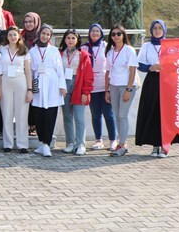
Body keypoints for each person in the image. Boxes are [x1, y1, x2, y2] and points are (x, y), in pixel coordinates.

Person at [135, 20, 179, 157]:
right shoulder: (146, 46)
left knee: (166, 113)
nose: (157, 30)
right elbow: (139, 64)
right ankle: (155, 145)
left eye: (160, 28)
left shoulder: (171, 46)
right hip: (152, 81)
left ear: (164, 30)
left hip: (168, 82)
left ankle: (165, 145)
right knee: (152, 112)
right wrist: (150, 67)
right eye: (154, 28)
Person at [29, 24, 66, 157]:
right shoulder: (32, 51)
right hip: (38, 83)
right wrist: (30, 88)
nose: (45, 36)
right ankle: (41, 143)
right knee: (38, 115)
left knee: (50, 115)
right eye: (43, 33)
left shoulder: (54, 51)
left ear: (50, 36)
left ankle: (47, 144)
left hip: (52, 85)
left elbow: (60, 69)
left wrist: (62, 86)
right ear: (39, 34)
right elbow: (30, 70)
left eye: (48, 34)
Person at [104, 25, 139, 157]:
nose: (116, 36)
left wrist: (129, 89)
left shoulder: (129, 50)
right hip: (113, 86)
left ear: (123, 35)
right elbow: (108, 72)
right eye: (113, 34)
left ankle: (122, 144)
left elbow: (132, 70)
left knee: (123, 115)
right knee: (117, 115)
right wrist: (106, 90)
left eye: (119, 34)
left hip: (126, 86)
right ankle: (121, 142)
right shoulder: (110, 51)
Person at [59, 29, 94, 155]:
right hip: (64, 85)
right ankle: (70, 142)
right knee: (67, 117)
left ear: (77, 40)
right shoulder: (60, 53)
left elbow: (89, 75)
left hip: (78, 85)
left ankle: (80, 144)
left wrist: (86, 92)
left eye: (73, 38)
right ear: (64, 39)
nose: (70, 40)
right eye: (68, 38)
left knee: (79, 118)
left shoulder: (83, 55)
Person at [0, 26, 33, 153]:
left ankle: (22, 144)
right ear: (7, 37)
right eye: (10, 35)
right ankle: (8, 144)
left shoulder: (24, 50)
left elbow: (28, 71)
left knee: (22, 114)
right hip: (5, 81)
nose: (12, 37)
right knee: (7, 113)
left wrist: (30, 89)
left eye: (15, 34)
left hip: (21, 81)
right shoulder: (2, 50)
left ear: (19, 36)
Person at [83, 23, 117, 151]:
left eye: (97, 31)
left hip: (105, 85)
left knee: (108, 114)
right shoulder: (84, 48)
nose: (95, 33)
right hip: (91, 86)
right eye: (92, 31)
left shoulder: (107, 46)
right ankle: (98, 140)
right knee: (95, 114)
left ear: (102, 33)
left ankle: (113, 140)